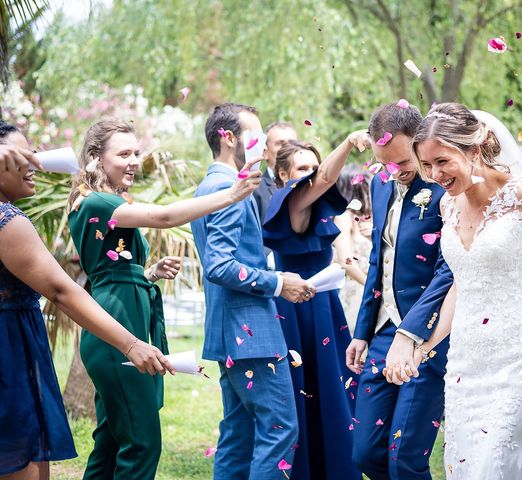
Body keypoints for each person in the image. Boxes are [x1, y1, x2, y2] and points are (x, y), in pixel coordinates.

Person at [386, 102, 522, 479]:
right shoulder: (447, 206)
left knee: (497, 467)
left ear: (473, 150)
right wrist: (424, 345)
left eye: (442, 161)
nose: (434, 174)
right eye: (427, 166)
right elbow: (463, 283)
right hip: (465, 368)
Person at [66, 119, 260, 480]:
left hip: (118, 315)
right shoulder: (98, 201)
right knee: (142, 445)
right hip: (116, 327)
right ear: (95, 157)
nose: (134, 161)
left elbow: (111, 270)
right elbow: (166, 217)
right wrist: (232, 193)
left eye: (136, 152)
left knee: (110, 443)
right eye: (123, 153)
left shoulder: (109, 202)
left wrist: (148, 273)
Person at [0, 121, 173, 480]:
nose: (35, 164)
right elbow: (62, 291)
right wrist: (130, 343)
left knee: (110, 439)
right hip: (10, 350)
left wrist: (149, 273)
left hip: (20, 342)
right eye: (23, 156)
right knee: (26, 464)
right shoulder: (10, 221)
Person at [191, 103, 314, 480]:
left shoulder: (206, 187)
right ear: (228, 139)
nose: (264, 147)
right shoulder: (231, 190)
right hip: (251, 333)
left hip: (230, 332)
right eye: (255, 135)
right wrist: (279, 282)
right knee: (279, 429)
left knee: (238, 434)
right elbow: (219, 266)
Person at [345, 103, 453, 480]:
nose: (395, 172)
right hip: (381, 332)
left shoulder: (444, 188)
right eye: (384, 164)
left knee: (405, 458)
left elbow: (449, 270)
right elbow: (379, 257)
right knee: (365, 454)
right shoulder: (380, 183)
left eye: (402, 162)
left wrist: (413, 333)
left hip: (430, 334)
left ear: (420, 143)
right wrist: (362, 332)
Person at [263, 136, 368, 480]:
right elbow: (325, 178)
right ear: (282, 174)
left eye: (313, 165)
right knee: (304, 391)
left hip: (325, 309)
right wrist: (351, 141)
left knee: (335, 391)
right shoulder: (290, 202)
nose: (311, 174)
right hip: (295, 310)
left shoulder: (319, 208)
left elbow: (343, 258)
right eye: (302, 168)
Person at [334, 166, 373, 335]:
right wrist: (371, 286)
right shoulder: (343, 217)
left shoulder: (373, 217)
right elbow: (345, 261)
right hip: (357, 289)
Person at [254, 121, 298, 222]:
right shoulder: (254, 189)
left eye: (293, 143)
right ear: (265, 152)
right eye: (280, 143)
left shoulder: (308, 184)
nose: (288, 148)